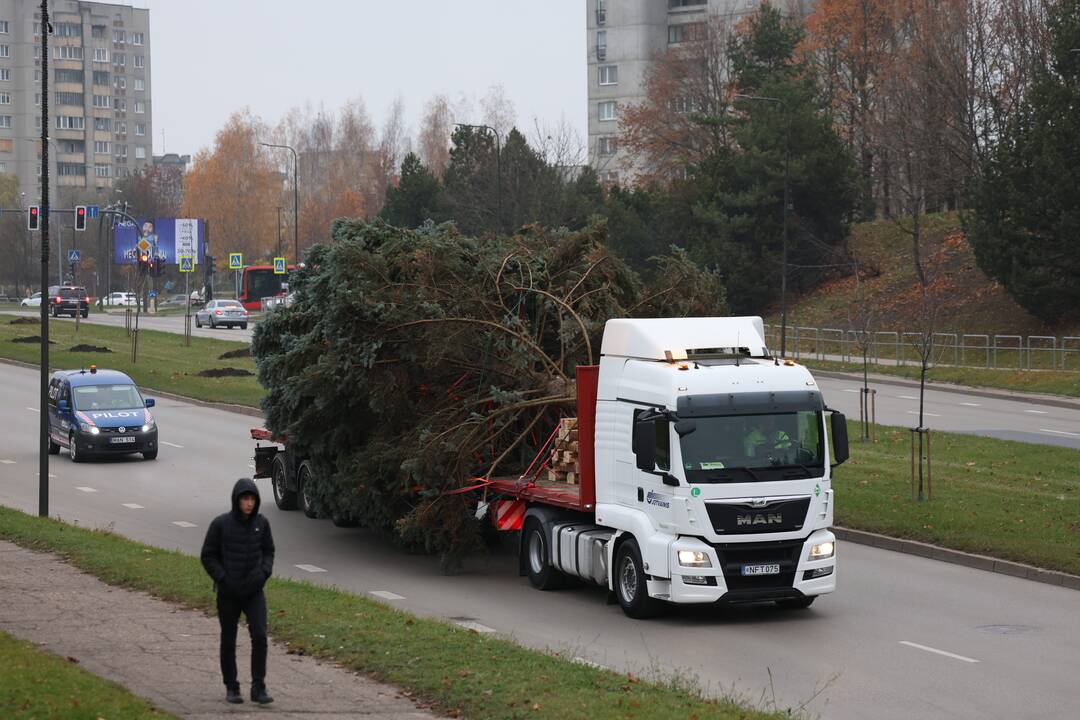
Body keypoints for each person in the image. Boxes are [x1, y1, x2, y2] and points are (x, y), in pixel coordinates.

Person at [200, 478, 276, 705]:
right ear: (237, 500)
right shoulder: (221, 524)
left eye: (252, 499)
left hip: (253, 591)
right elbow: (208, 555)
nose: (249, 503)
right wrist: (222, 578)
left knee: (260, 636)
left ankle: (258, 686)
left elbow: (269, 551)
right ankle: (231, 687)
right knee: (229, 639)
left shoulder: (261, 524)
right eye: (245, 499)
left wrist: (263, 573)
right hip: (228, 593)